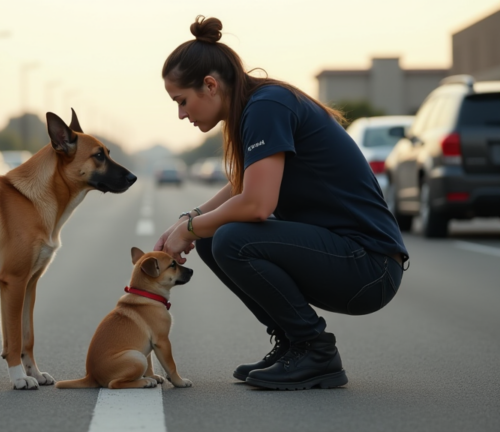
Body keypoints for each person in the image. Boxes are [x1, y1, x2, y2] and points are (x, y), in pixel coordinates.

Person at [154, 16, 409, 390]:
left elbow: (256, 204)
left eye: (182, 101)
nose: (181, 113)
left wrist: (189, 230)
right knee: (213, 234)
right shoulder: (255, 108)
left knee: (227, 237)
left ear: (209, 85)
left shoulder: (266, 106)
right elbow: (243, 186)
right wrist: (190, 220)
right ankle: (293, 342)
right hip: (350, 258)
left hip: (370, 266)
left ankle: (314, 350)